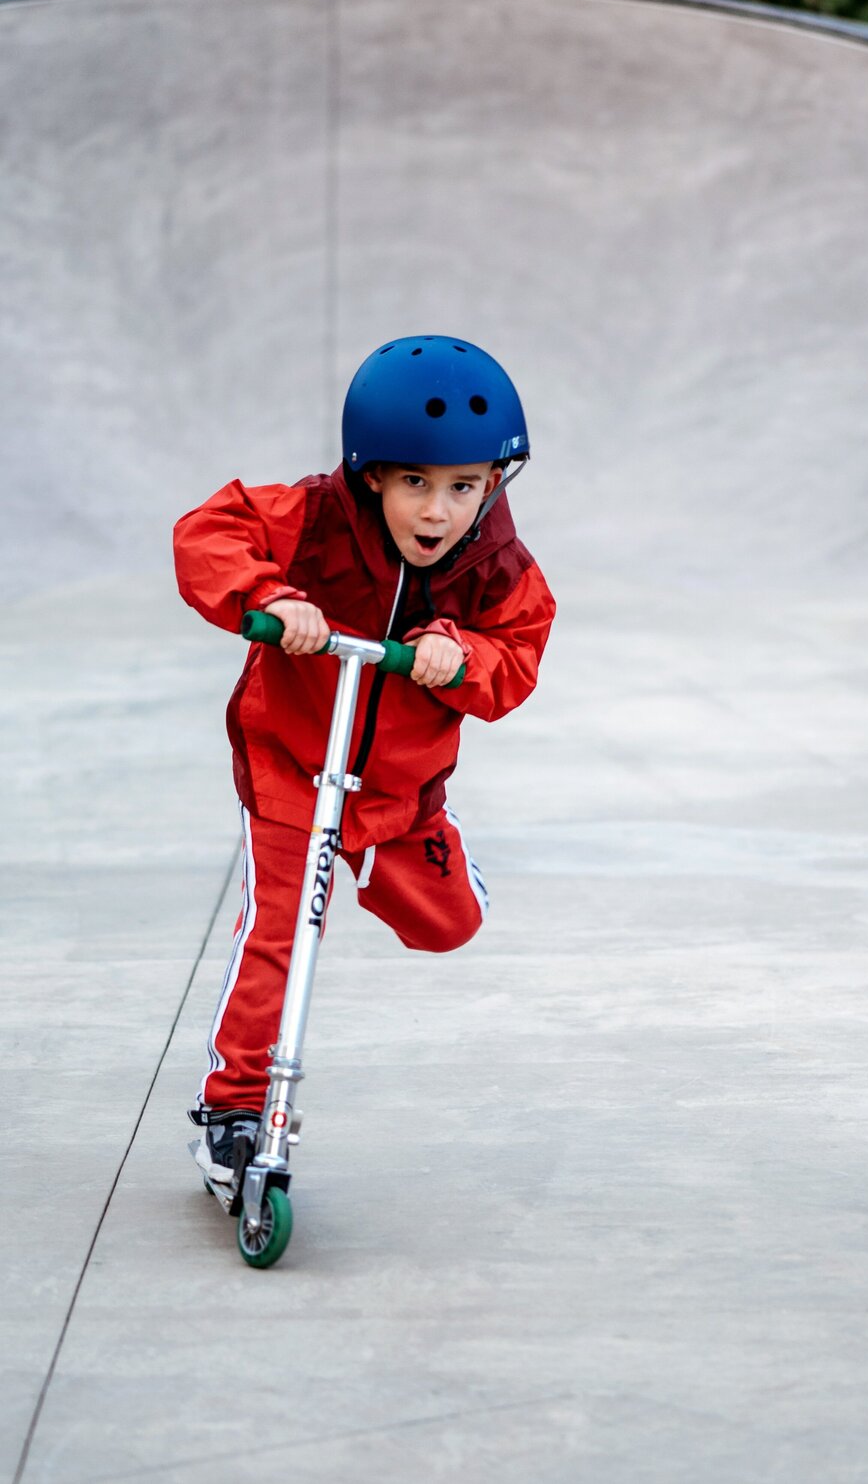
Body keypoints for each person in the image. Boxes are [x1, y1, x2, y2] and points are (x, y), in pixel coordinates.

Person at [173, 335, 555, 1187]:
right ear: (373, 474)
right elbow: (207, 533)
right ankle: (234, 1112)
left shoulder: (498, 568)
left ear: (493, 485)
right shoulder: (311, 520)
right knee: (280, 936)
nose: (436, 511)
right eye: (414, 482)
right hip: (294, 770)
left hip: (398, 793)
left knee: (448, 926)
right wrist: (270, 596)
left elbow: (517, 658)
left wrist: (461, 655)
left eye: (462, 487)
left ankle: (417, 853)